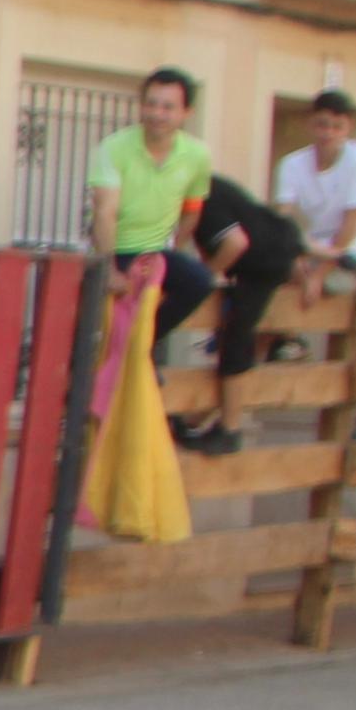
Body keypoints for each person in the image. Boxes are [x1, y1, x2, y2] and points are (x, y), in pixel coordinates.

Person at [84, 66, 221, 442]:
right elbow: (105, 212)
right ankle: (119, 364)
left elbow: (193, 207)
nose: (157, 114)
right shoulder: (115, 147)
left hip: (156, 251)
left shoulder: (196, 154)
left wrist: (176, 246)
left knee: (199, 280)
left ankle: (140, 345)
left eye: (167, 107)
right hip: (119, 247)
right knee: (101, 317)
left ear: (185, 113)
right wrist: (110, 268)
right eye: (151, 104)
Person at [176, 173, 303, 458]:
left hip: (261, 264)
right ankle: (194, 419)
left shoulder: (202, 199)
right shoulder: (207, 189)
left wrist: (203, 278)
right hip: (277, 248)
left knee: (235, 344)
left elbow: (235, 244)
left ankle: (230, 429)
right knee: (239, 342)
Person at [276, 88, 356, 279]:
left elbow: (352, 223)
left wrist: (320, 274)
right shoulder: (291, 164)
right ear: (310, 123)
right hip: (314, 246)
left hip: (354, 248)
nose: (328, 133)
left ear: (349, 127)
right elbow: (284, 217)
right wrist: (295, 255)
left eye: (337, 127)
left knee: (335, 283)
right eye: (322, 125)